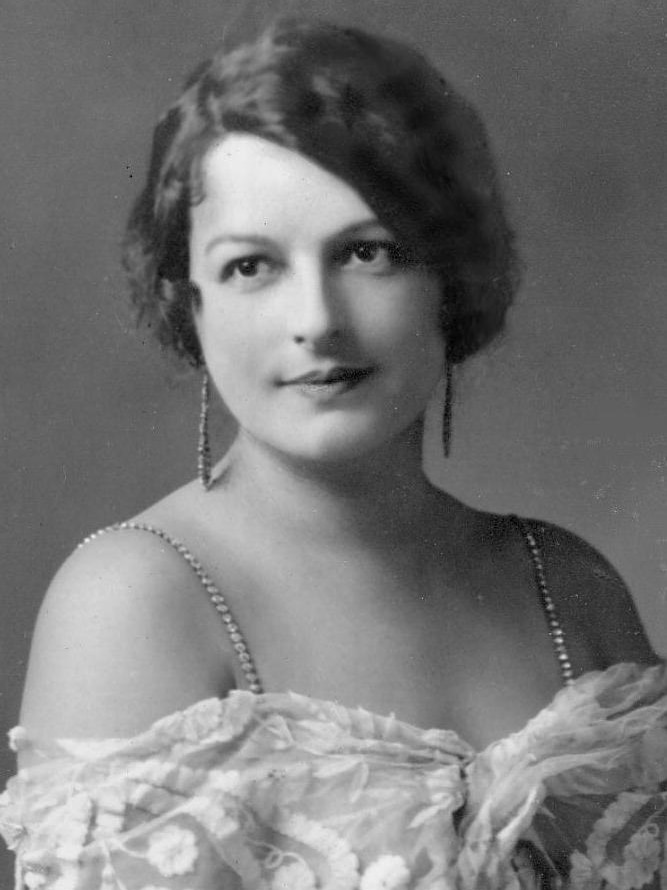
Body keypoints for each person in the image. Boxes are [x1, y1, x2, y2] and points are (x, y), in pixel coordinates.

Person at [1, 17, 665, 890]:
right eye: (251, 267)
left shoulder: (568, 583)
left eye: (368, 252)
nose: (316, 318)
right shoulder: (135, 600)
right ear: (188, 302)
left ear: (454, 279)